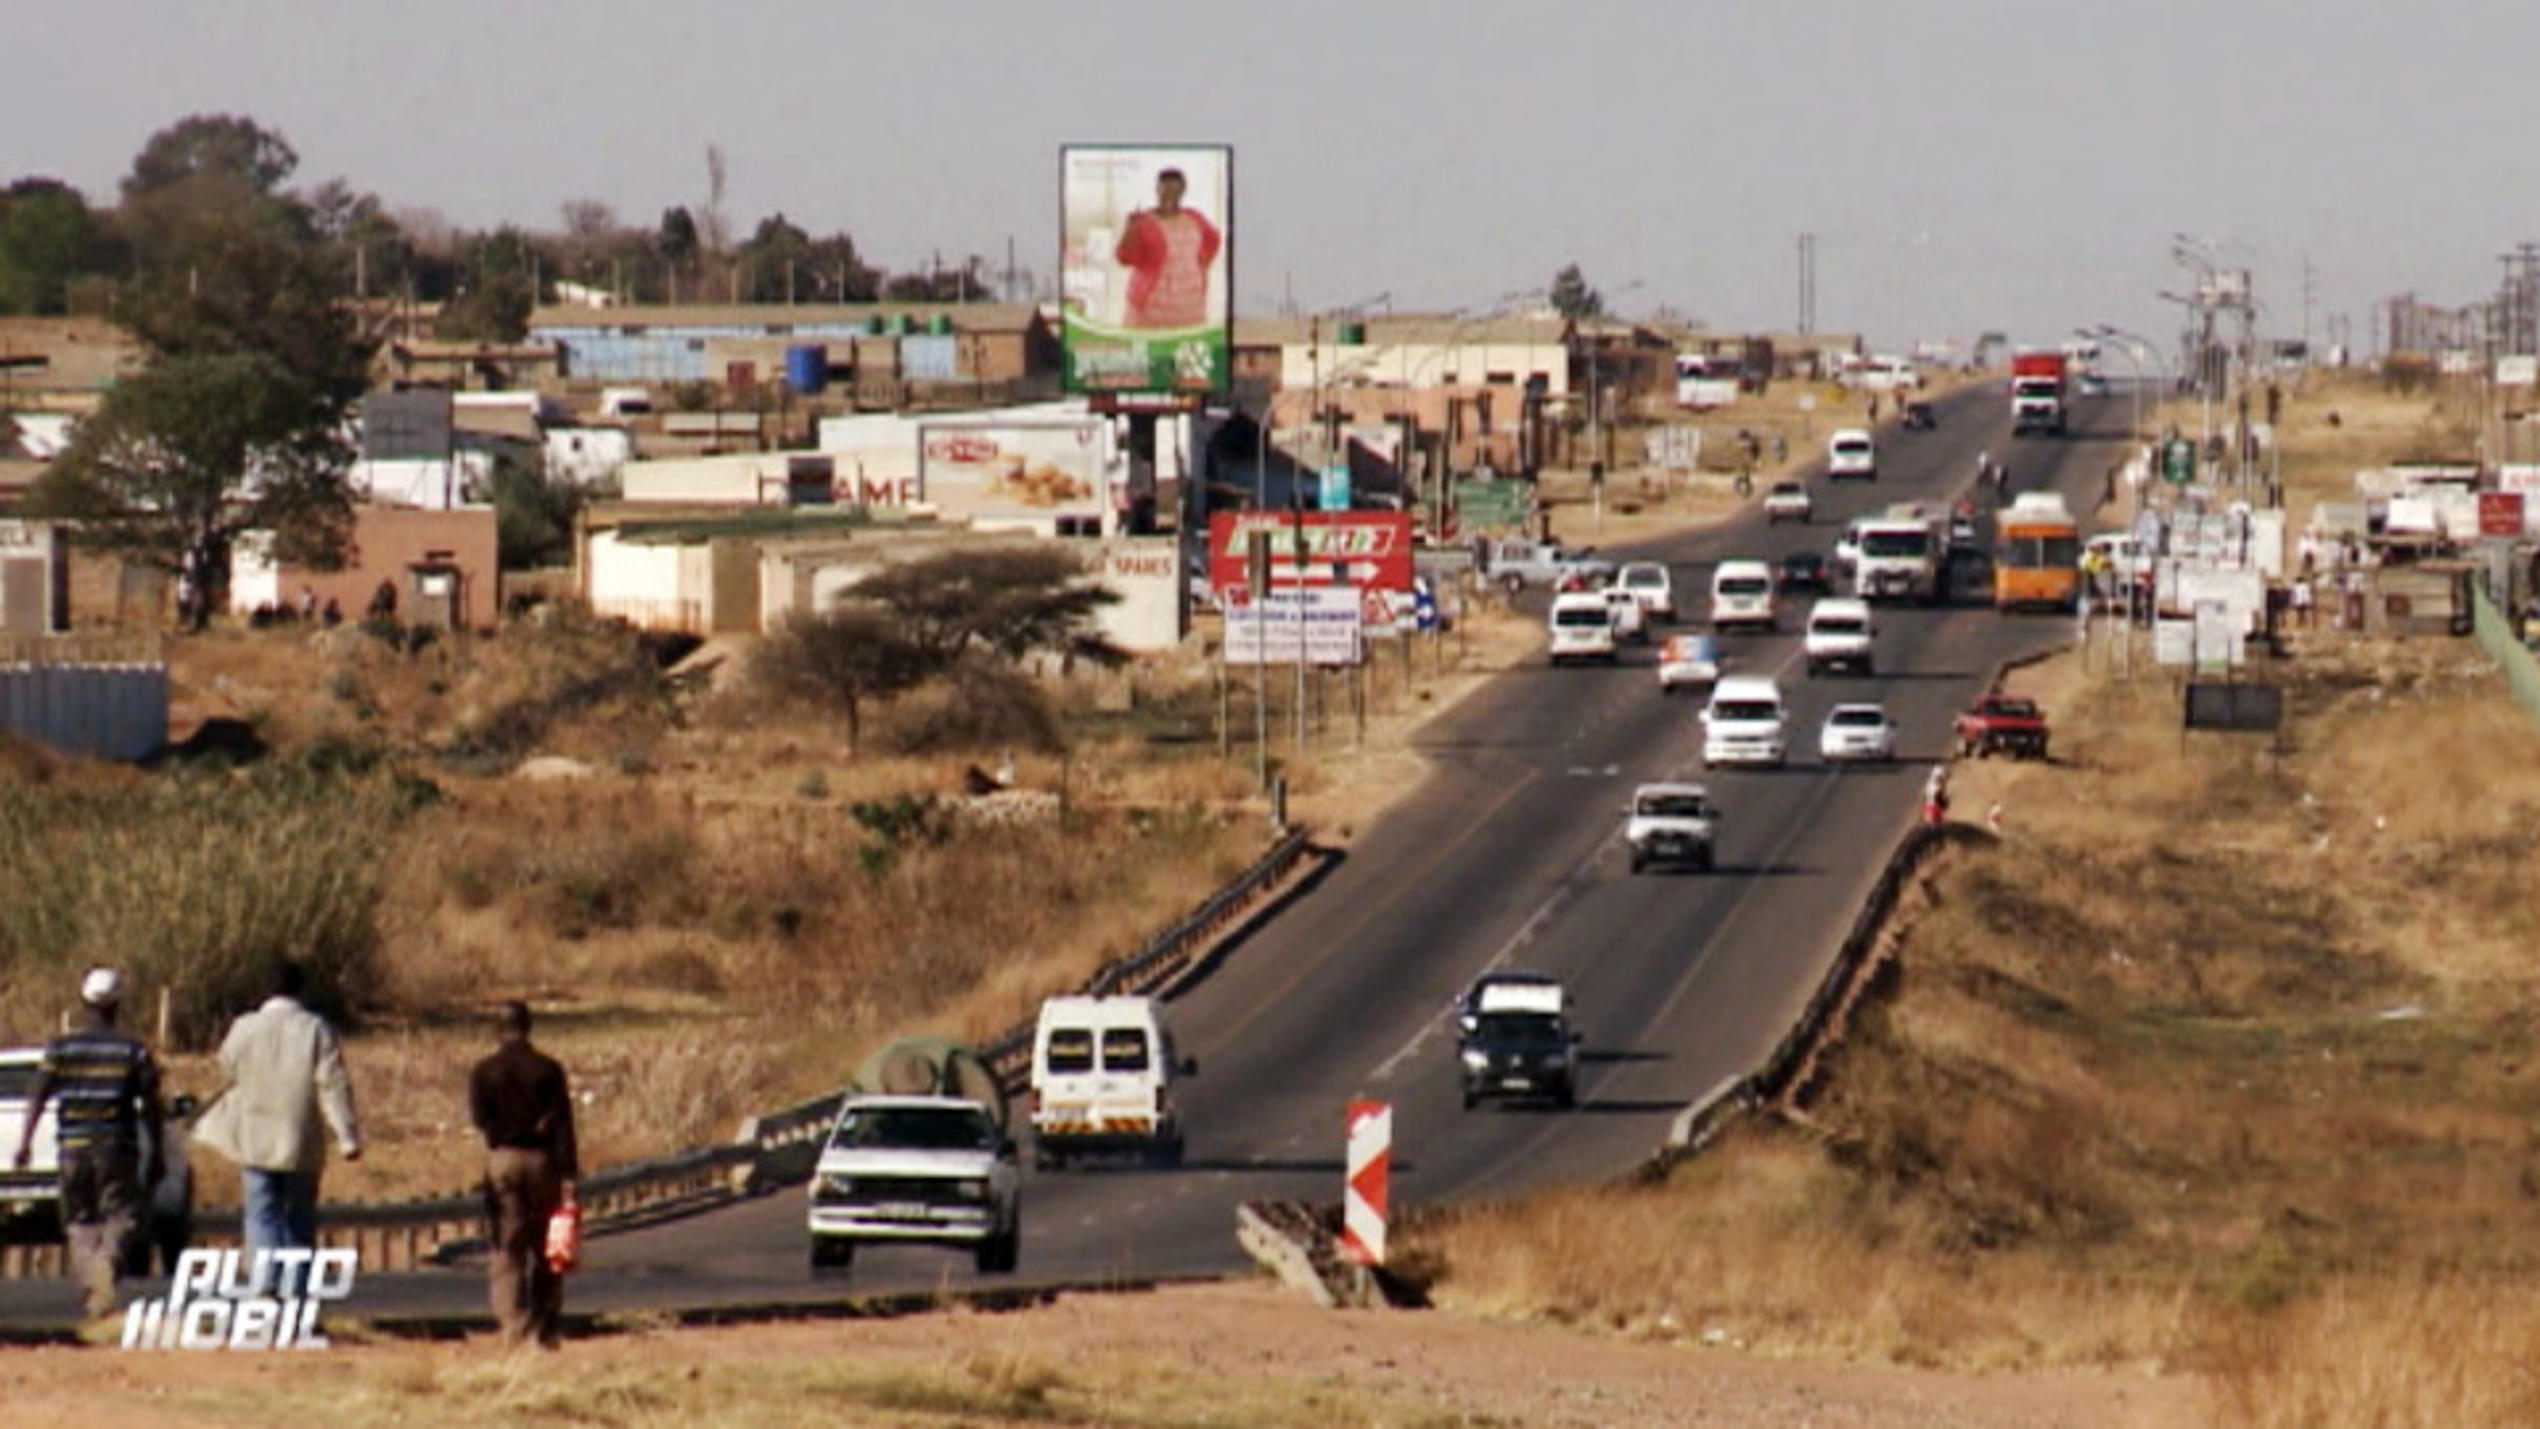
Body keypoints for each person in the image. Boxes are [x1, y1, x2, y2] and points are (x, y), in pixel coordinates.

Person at [11, 968, 162, 1320]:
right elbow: (152, 1104)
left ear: (83, 1003)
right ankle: (106, 1265)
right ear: (117, 1005)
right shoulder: (132, 1051)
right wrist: (155, 1150)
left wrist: (25, 1142)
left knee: (79, 1220)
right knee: (122, 1215)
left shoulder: (61, 1048)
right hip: (116, 1147)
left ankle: (94, 1283)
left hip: (72, 1148)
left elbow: (38, 1096)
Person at [212, 960, 361, 1299]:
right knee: (298, 1220)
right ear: (300, 989)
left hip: (254, 1139)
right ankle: (296, 1295)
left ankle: (263, 1285)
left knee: (260, 1214)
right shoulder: (316, 1029)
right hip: (300, 1141)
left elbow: (225, 1065)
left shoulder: (244, 1028)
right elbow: (332, 1086)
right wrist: (346, 1136)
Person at [469, 1001, 580, 1347]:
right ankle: (544, 1323)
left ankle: (513, 1324)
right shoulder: (549, 1070)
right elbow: (563, 1125)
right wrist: (568, 1176)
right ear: (528, 1027)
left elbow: (479, 1117)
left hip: (503, 1160)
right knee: (546, 1244)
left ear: (498, 1029)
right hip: (542, 1161)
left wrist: (500, 1131)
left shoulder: (484, 1071)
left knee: (507, 1244)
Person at [1112, 167, 1220, 330]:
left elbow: (1213, 240)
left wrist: (1200, 268)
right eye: (1165, 190)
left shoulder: (1195, 218)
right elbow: (1123, 258)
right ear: (1157, 189)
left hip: (1190, 307)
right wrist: (1130, 231)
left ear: (1183, 191)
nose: (1170, 196)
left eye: (1176, 191)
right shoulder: (1143, 222)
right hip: (1151, 308)